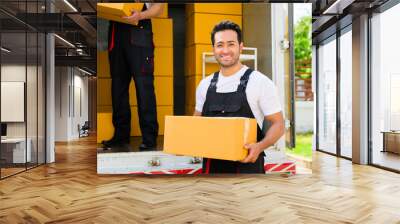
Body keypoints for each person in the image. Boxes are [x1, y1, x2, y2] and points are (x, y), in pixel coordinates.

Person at [194, 20, 285, 174]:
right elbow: (196, 121)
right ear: (214, 49)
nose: (225, 50)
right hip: (212, 167)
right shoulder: (205, 84)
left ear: (240, 47)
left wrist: (259, 147)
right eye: (220, 45)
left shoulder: (260, 82)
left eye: (231, 44)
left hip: (247, 165)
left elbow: (279, 125)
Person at [102, 3, 164, 150]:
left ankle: (149, 138)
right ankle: (121, 136)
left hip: (139, 31)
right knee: (118, 89)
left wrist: (141, 15)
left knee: (144, 89)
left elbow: (159, 7)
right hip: (116, 34)